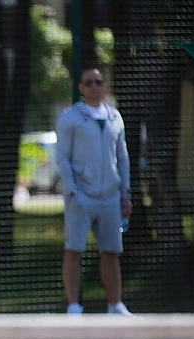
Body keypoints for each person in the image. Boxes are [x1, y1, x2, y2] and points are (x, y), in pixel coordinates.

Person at [55, 67, 135, 316]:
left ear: (104, 85)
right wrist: (73, 191)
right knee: (74, 250)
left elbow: (122, 157)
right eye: (88, 82)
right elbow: (62, 157)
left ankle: (115, 306)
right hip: (81, 197)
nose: (94, 86)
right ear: (80, 87)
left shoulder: (115, 117)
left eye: (98, 82)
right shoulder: (70, 117)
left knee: (111, 251)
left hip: (111, 196)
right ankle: (74, 307)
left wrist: (125, 193)